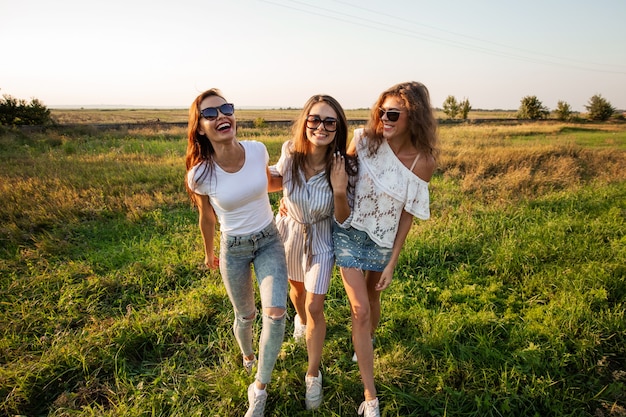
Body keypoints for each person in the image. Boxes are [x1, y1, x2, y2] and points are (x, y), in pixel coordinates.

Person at [332, 81, 439, 417]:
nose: (384, 119)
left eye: (393, 113)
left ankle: (365, 341)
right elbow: (338, 176)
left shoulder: (424, 160)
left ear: (415, 117)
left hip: (382, 239)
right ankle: (370, 397)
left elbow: (407, 214)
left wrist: (393, 260)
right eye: (381, 111)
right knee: (360, 309)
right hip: (348, 231)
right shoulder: (364, 141)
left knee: (373, 300)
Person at [185, 88, 288, 417]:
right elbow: (206, 216)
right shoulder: (200, 174)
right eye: (210, 114)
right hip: (234, 249)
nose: (221, 116)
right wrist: (208, 253)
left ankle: (259, 387)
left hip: (269, 240)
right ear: (200, 127)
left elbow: (267, 182)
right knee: (246, 316)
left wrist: (293, 193)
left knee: (276, 314)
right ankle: (247, 355)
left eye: (226, 108)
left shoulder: (257, 150)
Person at [269, 94, 356, 410]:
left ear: (337, 127)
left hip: (321, 237)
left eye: (329, 121)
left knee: (315, 303)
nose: (321, 126)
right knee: (296, 292)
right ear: (305, 122)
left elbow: (344, 218)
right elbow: (274, 181)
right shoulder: (290, 153)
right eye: (315, 119)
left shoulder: (341, 164)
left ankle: (313, 374)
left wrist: (340, 189)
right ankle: (300, 323)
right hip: (289, 231)